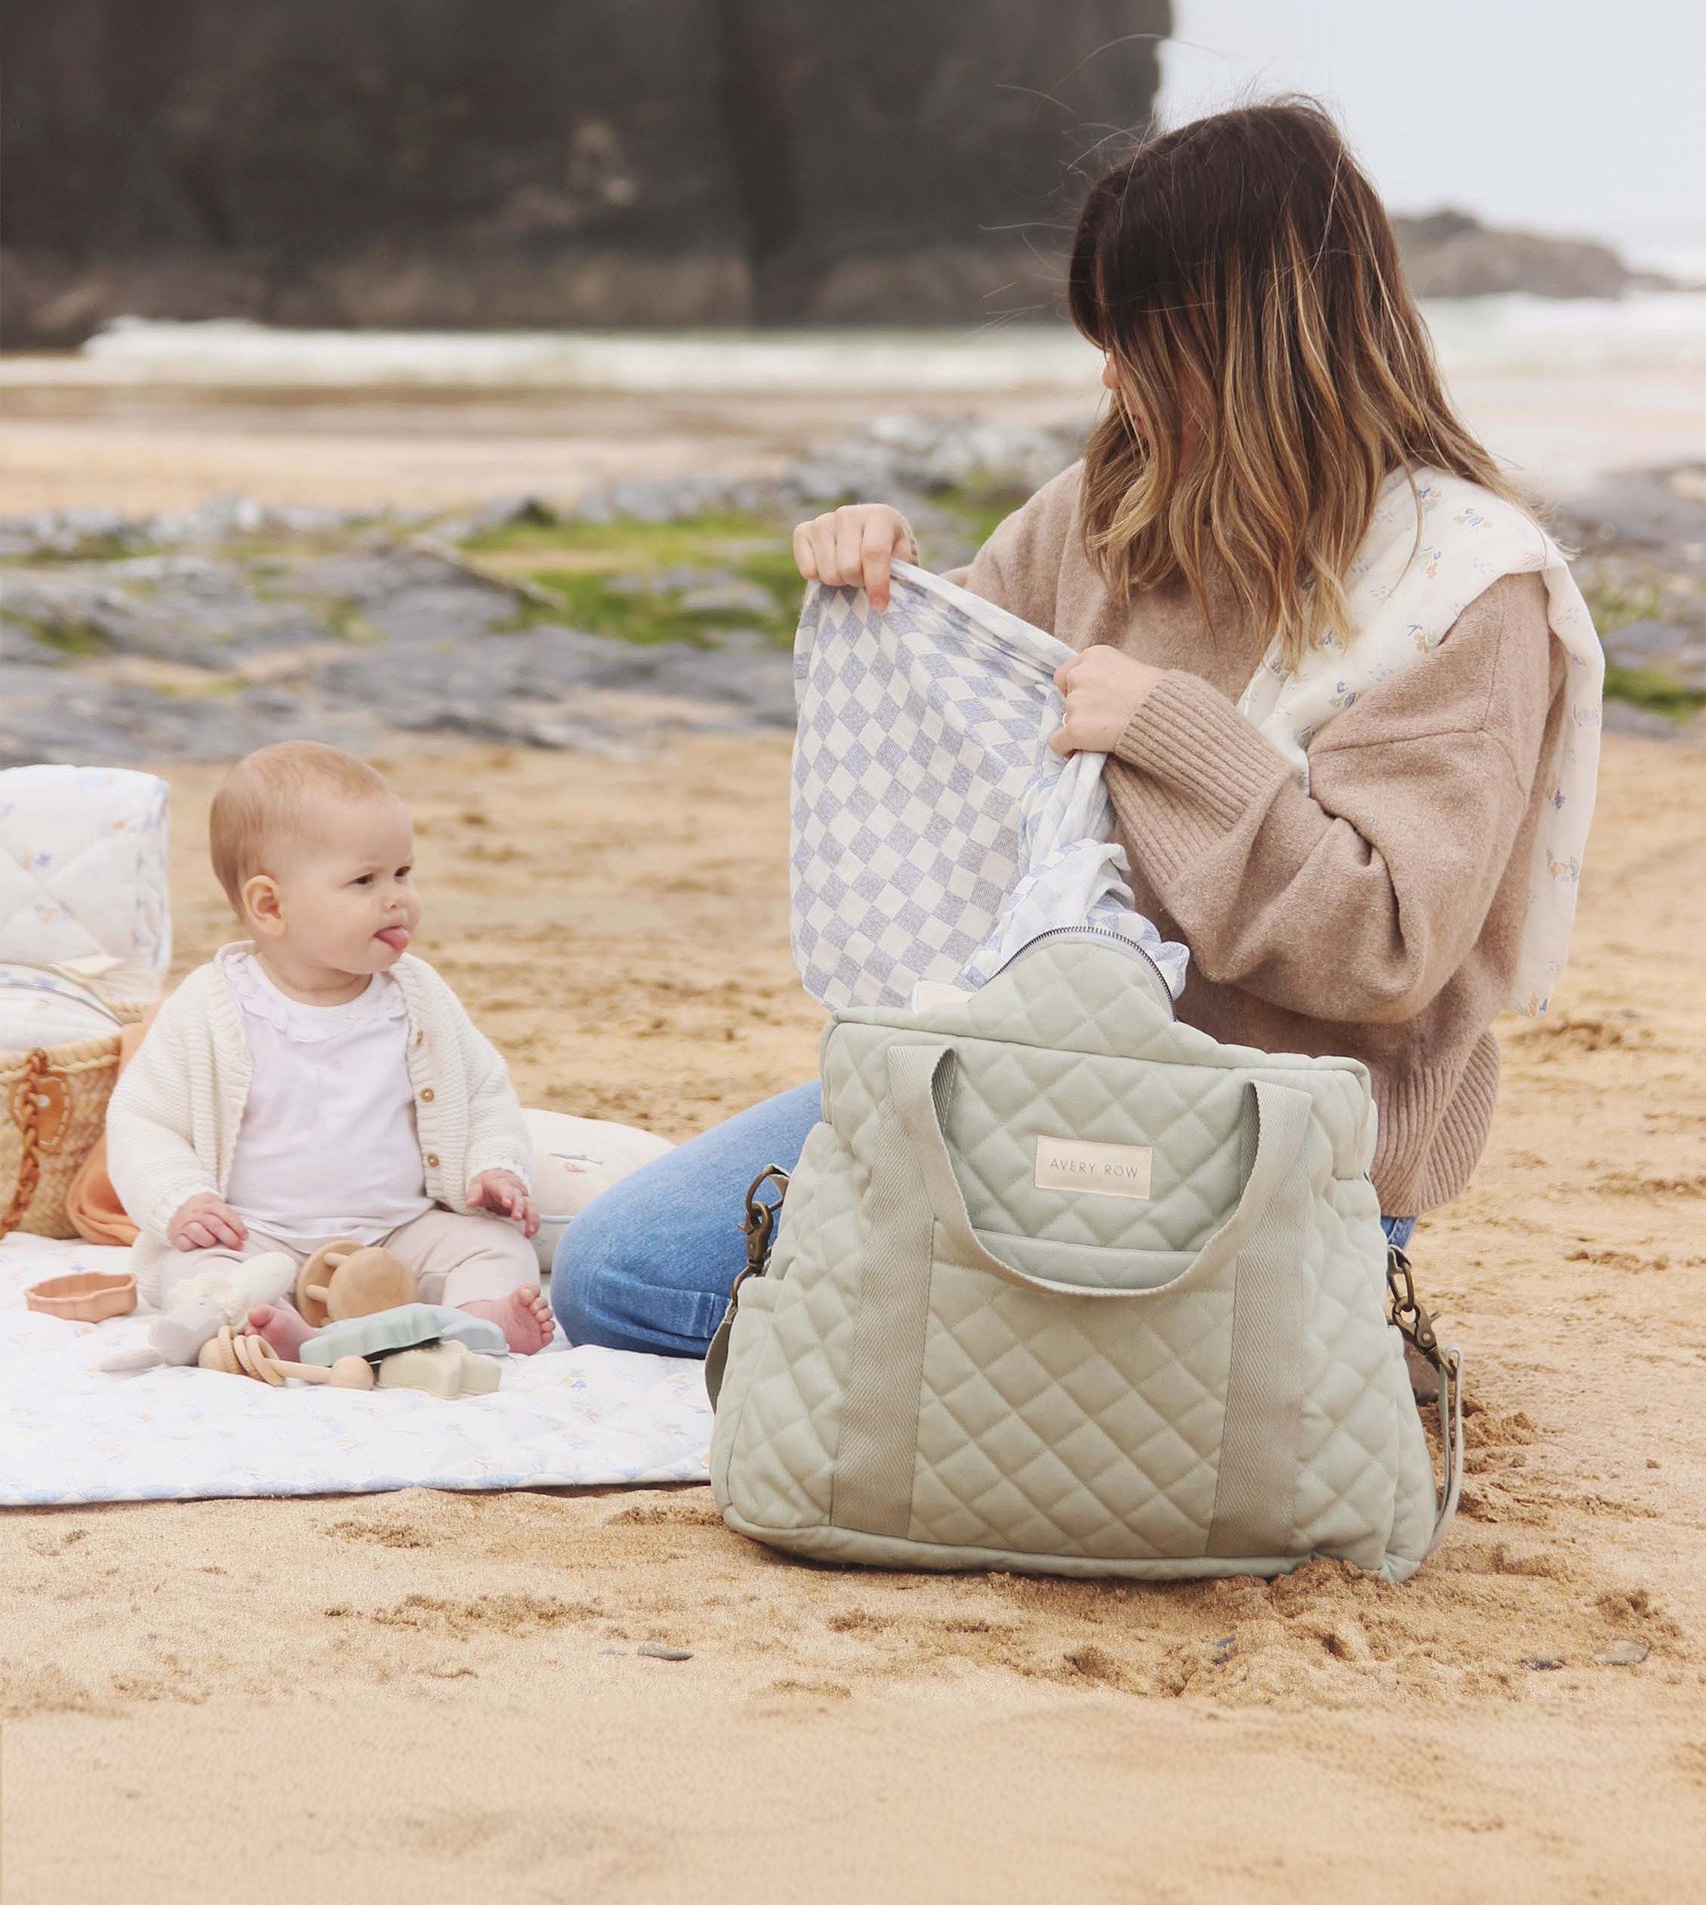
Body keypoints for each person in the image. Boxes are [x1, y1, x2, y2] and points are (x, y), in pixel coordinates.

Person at [553, 97, 1592, 1358]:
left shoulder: (1462, 586)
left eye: (1131, 342)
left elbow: (1381, 949)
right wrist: (888, 585)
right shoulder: (1109, 503)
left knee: (1067, 1370)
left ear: (1237, 337)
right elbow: (960, 754)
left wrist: (1174, 734)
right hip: (1013, 1081)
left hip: (1279, 1147)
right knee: (614, 1275)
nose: (1106, 377)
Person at [107, 740, 555, 1358]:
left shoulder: (418, 997)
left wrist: (493, 1166)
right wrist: (181, 1198)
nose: (397, 897)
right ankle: (286, 1331)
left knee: (497, 1244)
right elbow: (141, 1117)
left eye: (403, 872)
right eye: (365, 880)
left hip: (399, 1234)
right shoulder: (212, 1006)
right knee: (199, 1275)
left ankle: (475, 1318)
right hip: (261, 1238)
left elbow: (482, 1091)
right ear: (271, 906)